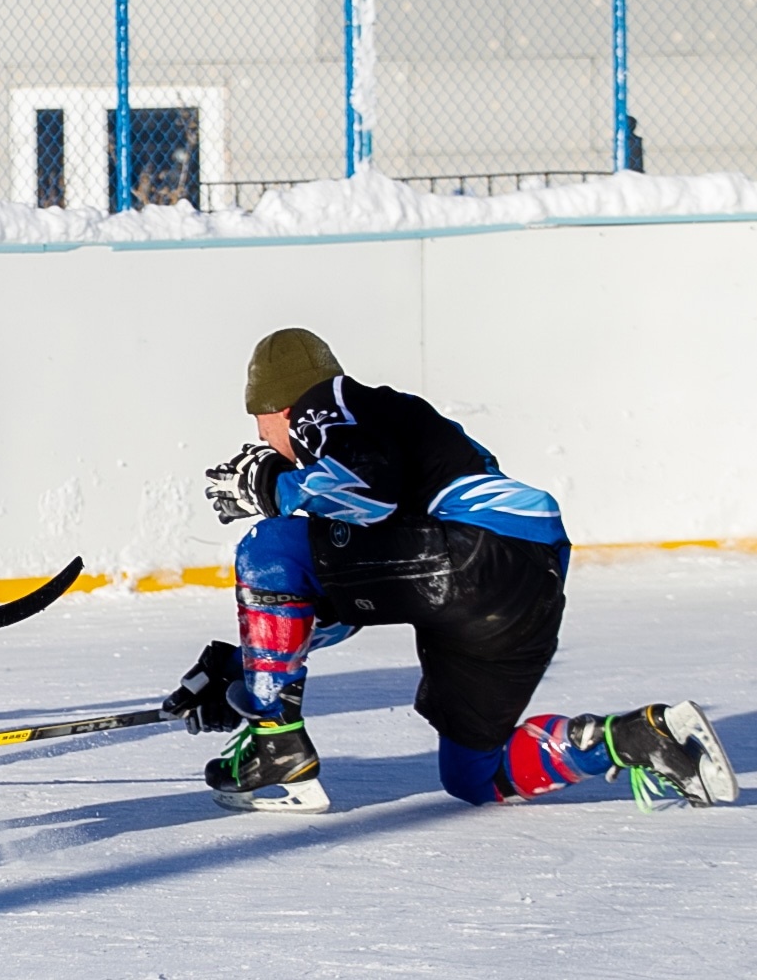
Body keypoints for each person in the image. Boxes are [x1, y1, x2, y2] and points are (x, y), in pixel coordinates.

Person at [193, 327, 738, 813]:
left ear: (279, 407)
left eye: (262, 429)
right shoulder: (386, 424)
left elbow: (367, 491)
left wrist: (268, 485)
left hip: (471, 551)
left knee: (270, 545)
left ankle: (276, 744)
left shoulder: (327, 400)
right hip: (523, 582)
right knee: (476, 776)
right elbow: (341, 594)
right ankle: (638, 739)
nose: (268, 443)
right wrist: (248, 670)